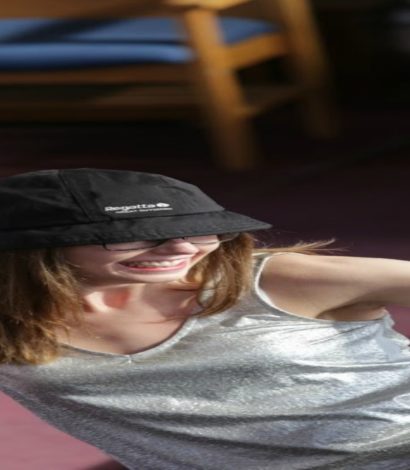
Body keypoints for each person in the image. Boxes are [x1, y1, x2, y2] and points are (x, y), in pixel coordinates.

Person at [0, 168, 409, 470]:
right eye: (138, 234)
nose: (182, 248)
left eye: (202, 230)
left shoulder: (278, 279)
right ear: (33, 246)